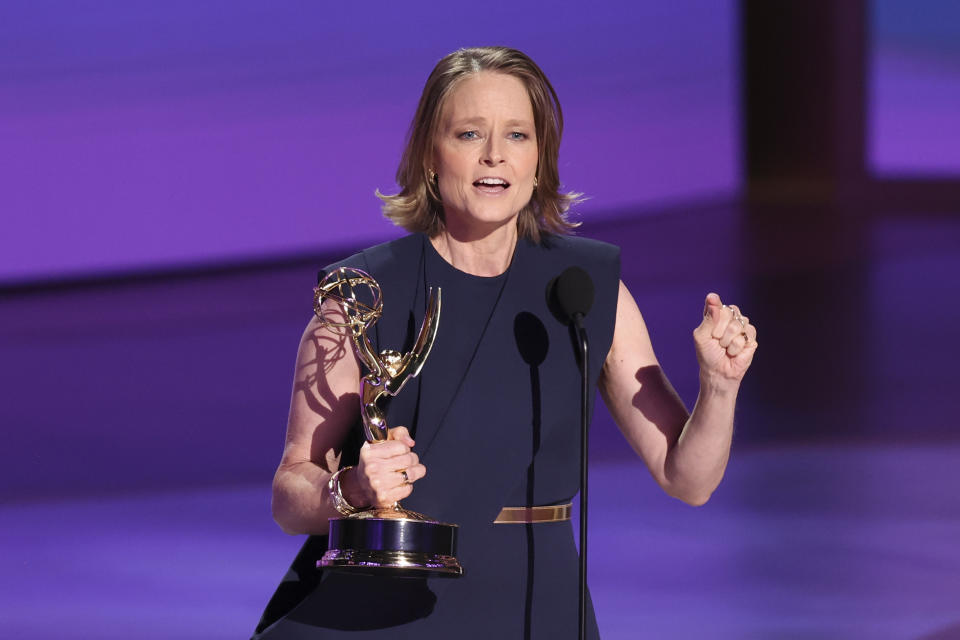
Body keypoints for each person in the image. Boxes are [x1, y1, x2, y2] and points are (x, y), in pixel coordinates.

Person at [252, 46, 757, 639]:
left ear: (540, 160)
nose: (495, 155)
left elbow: (686, 477)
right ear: (429, 157)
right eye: (469, 133)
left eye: (517, 135)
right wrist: (354, 489)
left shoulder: (585, 290)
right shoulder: (363, 295)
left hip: (535, 607)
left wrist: (719, 387)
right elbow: (291, 494)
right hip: (389, 608)